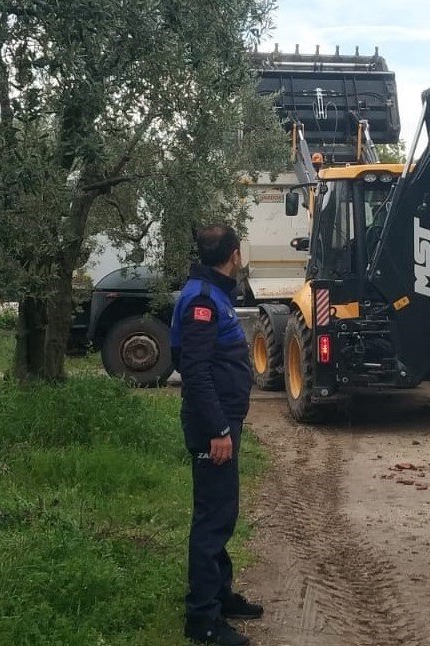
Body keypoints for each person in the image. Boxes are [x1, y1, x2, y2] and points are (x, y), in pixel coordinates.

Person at [171, 224, 262, 645]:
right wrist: (219, 430)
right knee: (212, 518)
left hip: (222, 422)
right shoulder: (203, 301)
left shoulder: (213, 294)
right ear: (235, 255)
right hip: (214, 427)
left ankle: (221, 596)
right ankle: (202, 619)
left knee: (222, 512)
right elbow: (195, 371)